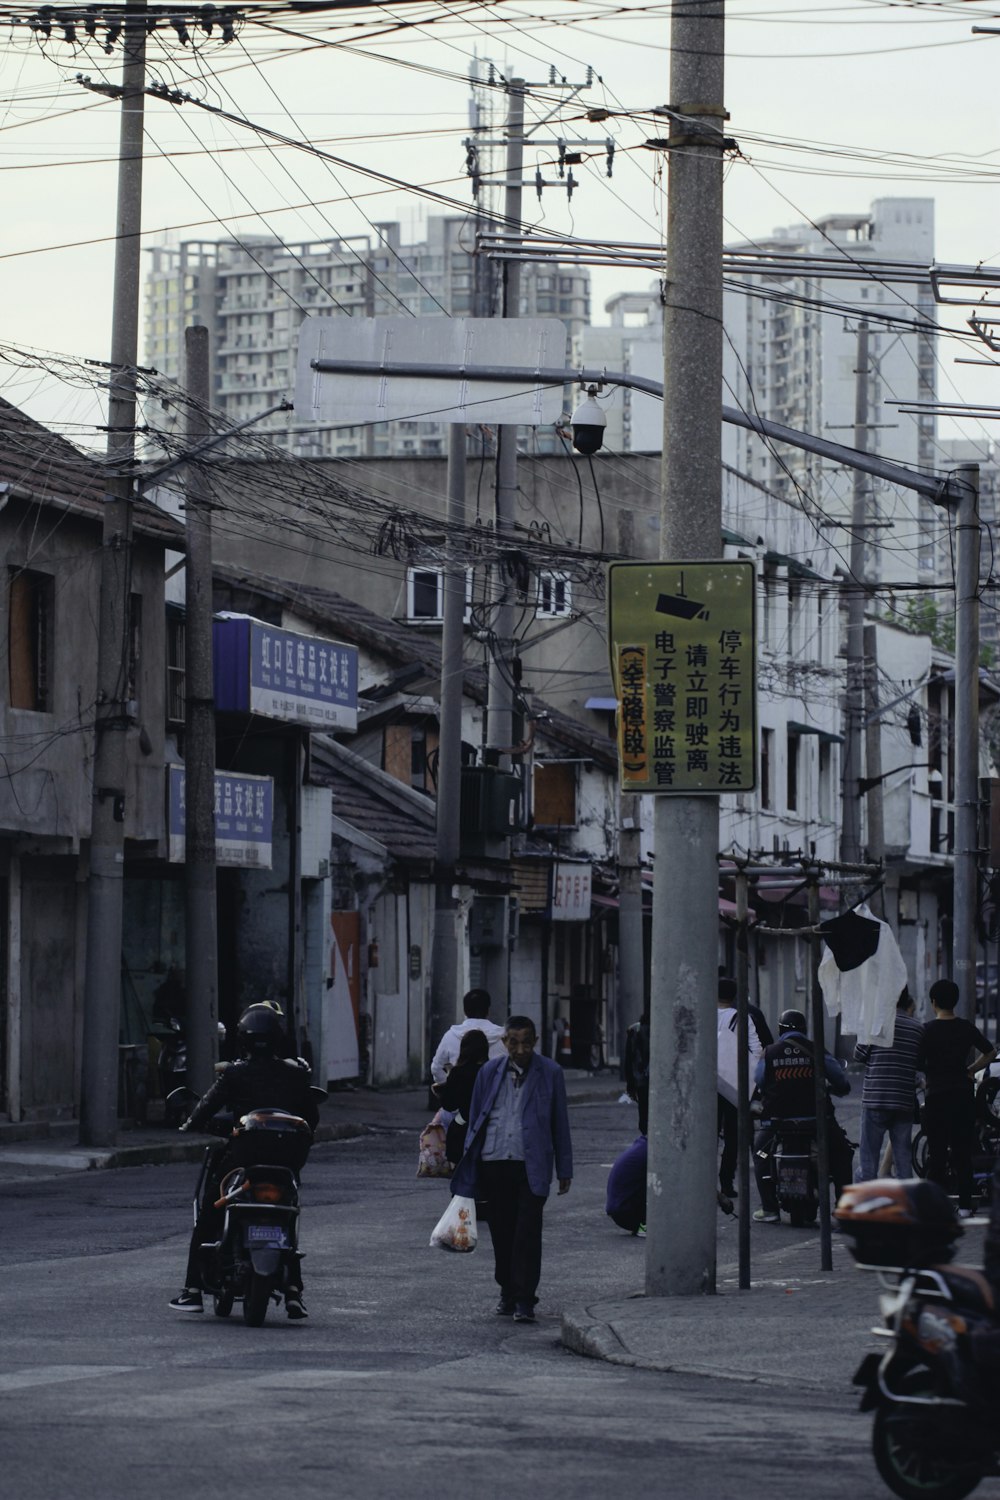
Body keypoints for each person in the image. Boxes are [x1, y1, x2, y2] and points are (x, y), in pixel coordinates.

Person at [168, 1003, 320, 1317]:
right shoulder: (296, 1073)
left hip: (244, 1157)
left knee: (211, 1208)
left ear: (243, 1039)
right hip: (288, 1159)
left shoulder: (235, 1073)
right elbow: (312, 1116)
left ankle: (192, 1290)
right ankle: (293, 1289)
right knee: (288, 1211)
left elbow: (206, 1107)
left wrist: (190, 1122)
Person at [450, 1015, 572, 1324]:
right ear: (504, 1043)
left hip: (532, 1165)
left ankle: (524, 1299)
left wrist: (564, 1168)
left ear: (535, 1041)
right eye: (514, 1042)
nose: (520, 1049)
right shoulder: (489, 1072)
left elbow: (560, 1123)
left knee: (528, 1234)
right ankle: (507, 1290)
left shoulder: (551, 1073)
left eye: (526, 1042)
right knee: (503, 1234)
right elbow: (476, 1119)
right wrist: (470, 1166)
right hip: (494, 1162)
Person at [752, 1008, 853, 1223]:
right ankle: (843, 1210)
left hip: (777, 1124)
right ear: (804, 1029)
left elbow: (759, 1080)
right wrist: (840, 1088)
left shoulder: (769, 1052)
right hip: (817, 1121)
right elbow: (839, 1079)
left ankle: (769, 1208)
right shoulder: (816, 1050)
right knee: (842, 1154)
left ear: (780, 1030)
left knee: (760, 1154)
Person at [916, 978, 997, 1217]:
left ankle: (933, 1206)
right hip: (962, 1095)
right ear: (955, 1001)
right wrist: (970, 1069)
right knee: (963, 1153)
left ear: (934, 1002)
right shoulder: (965, 1027)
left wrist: (927, 1076)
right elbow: (990, 1051)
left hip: (937, 1096)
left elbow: (918, 1063)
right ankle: (963, 1206)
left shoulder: (927, 1030)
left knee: (937, 1154)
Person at [854, 986, 923, 1182]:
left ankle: (867, 1209)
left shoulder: (875, 1024)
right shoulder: (917, 1028)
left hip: (875, 1098)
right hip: (903, 1101)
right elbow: (918, 1064)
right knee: (903, 1162)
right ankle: (905, 1208)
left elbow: (858, 1055)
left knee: (868, 1162)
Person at [716, 977, 764, 1198]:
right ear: (734, 996)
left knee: (708, 1135)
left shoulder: (703, 1016)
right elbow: (756, 1049)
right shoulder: (741, 1017)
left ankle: (703, 1181)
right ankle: (726, 1182)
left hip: (708, 1087)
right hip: (735, 1085)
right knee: (733, 1136)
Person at [431, 1027, 489, 1165]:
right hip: (486, 1129)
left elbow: (449, 1105)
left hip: (462, 1128)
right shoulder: (490, 1071)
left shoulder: (458, 1072)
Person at [430, 988, 506, 1084]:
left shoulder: (451, 1035)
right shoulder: (503, 1037)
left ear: (465, 1011)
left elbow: (436, 1068)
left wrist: (448, 1085)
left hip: (460, 1095)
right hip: (492, 1095)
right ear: (488, 1010)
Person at [623, 1009, 650, 1134]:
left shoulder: (635, 1030)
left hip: (642, 1081)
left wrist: (631, 1086)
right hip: (657, 1081)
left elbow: (629, 1059)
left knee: (644, 1120)